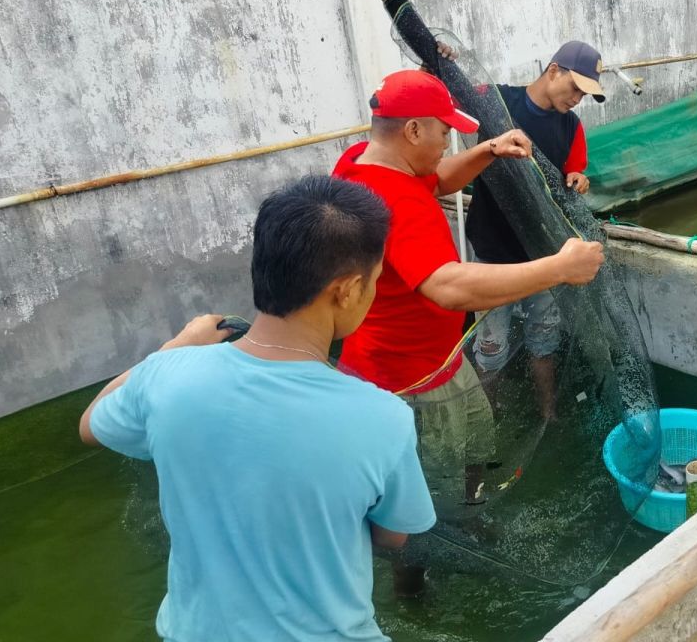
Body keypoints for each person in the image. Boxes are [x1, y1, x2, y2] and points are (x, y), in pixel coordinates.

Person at [80, 175, 435, 642]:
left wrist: (176, 345)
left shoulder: (165, 377)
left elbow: (91, 425)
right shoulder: (383, 416)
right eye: (375, 280)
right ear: (346, 290)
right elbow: (393, 536)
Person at [331, 69, 603, 592]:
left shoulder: (361, 164)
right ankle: (412, 579)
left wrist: (488, 151)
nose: (447, 142)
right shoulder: (396, 201)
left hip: (442, 360)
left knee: (476, 443)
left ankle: (469, 515)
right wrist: (558, 268)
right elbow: (449, 288)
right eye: (443, 133)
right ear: (412, 131)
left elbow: (437, 178)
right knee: (414, 497)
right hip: (408, 384)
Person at [464, 40, 605, 420]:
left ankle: (548, 412)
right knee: (490, 347)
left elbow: (576, 169)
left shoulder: (571, 126)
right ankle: (486, 420)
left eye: (585, 94)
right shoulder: (498, 101)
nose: (577, 99)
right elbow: (448, 92)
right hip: (492, 252)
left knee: (543, 340)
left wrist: (578, 177)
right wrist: (438, 59)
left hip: (545, 254)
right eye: (575, 88)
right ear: (554, 70)